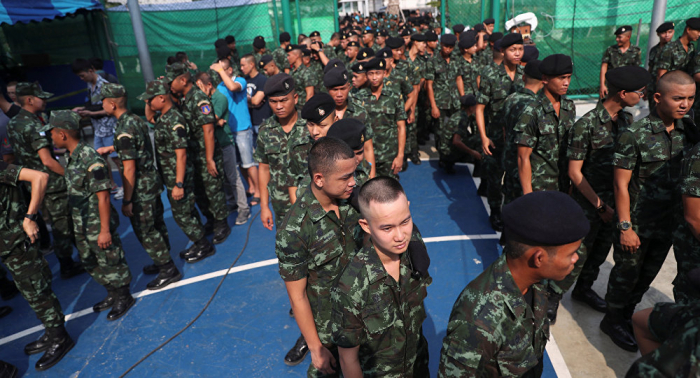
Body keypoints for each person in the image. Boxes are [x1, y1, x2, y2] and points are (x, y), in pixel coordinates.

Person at [438, 191, 589, 377]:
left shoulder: (536, 286)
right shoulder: (478, 322)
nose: (576, 258)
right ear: (539, 258)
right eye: (570, 254)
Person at [602, 70, 696, 352]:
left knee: (646, 276)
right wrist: (625, 228)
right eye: (678, 98)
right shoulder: (635, 135)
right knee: (625, 275)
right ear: (657, 97)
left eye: (691, 98)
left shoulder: (687, 131)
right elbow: (620, 185)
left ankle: (627, 316)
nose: (685, 104)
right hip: (638, 223)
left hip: (668, 225)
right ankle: (612, 320)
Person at [550, 66, 650, 320]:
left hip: (614, 202)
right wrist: (599, 206)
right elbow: (574, 173)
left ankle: (583, 290)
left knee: (599, 251)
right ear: (623, 93)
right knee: (576, 254)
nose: (643, 96)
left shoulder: (626, 121)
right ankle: (550, 299)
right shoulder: (587, 125)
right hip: (589, 204)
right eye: (640, 92)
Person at [276, 137, 359, 377]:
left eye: (353, 174)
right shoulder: (294, 230)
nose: (353, 183)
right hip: (328, 328)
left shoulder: (351, 200)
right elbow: (297, 296)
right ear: (319, 179)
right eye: (345, 178)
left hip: (364, 315)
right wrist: (316, 348)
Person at [333, 177, 432, 378]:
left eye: (405, 221)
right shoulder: (351, 288)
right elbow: (348, 359)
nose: (400, 236)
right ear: (366, 226)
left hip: (418, 366)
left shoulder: (413, 252)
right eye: (387, 228)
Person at [48, 110, 135, 321]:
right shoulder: (70, 156)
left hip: (97, 221)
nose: (50, 137)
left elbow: (103, 198)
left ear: (62, 134)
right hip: (81, 221)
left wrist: (105, 230)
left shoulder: (90, 158)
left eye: (51, 133)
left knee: (110, 259)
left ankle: (123, 295)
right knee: (88, 260)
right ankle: (112, 292)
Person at [97, 83, 181, 290]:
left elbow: (129, 169)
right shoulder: (135, 120)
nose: (102, 105)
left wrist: (127, 200)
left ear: (112, 104)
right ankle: (163, 258)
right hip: (151, 182)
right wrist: (112, 147)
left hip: (140, 190)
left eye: (103, 102)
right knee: (157, 224)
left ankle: (167, 269)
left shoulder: (124, 128)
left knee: (146, 231)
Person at [0, 161, 74, 371]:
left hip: (17, 243)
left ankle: (60, 338)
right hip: (7, 246)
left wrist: (30, 218)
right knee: (30, 292)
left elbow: (40, 177)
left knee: (37, 291)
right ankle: (52, 332)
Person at [7, 82, 84, 279]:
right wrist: (71, 176)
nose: (45, 100)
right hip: (52, 184)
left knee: (58, 222)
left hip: (34, 182)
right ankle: (67, 263)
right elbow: (47, 161)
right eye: (41, 97)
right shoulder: (33, 125)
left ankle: (70, 260)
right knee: (62, 224)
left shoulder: (15, 122)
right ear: (30, 100)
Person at [141, 79, 216, 263]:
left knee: (182, 214)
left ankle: (203, 245)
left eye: (151, 100)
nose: (149, 104)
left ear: (162, 98)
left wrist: (179, 184)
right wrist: (148, 100)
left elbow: (181, 155)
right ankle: (199, 243)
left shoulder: (174, 120)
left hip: (178, 176)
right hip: (170, 174)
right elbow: (149, 117)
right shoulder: (163, 117)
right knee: (186, 211)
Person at [166, 62, 231, 244]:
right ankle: (211, 220)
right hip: (194, 156)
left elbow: (208, 130)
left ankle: (221, 224)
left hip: (206, 154)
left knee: (213, 190)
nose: (170, 85)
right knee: (201, 191)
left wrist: (210, 159)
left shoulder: (199, 99)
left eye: (172, 81)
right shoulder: (184, 99)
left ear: (183, 79)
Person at [475, 33, 524, 231]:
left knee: (513, 179)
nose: (517, 53)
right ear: (502, 51)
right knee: (495, 178)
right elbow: (480, 108)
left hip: (517, 138)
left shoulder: (524, 75)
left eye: (520, 49)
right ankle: (495, 211)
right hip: (495, 137)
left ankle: (510, 212)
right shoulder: (490, 74)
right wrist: (484, 137)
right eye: (513, 50)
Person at [207, 61, 253, 225]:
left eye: (223, 70)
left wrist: (220, 70)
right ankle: (237, 199)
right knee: (235, 169)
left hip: (241, 128)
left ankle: (257, 192)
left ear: (229, 69)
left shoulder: (239, 80)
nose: (220, 74)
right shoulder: (219, 87)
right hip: (228, 133)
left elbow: (233, 87)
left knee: (248, 164)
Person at [71, 58, 123, 199]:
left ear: (91, 70)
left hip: (109, 128)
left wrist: (91, 113)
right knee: (101, 158)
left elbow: (111, 109)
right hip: (98, 128)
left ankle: (125, 186)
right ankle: (112, 184)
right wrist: (83, 109)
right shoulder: (90, 85)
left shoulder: (105, 85)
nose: (82, 79)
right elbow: (93, 104)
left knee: (117, 159)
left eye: (83, 75)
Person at [355, 58, 407, 179]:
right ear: (366, 75)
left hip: (389, 154)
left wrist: (400, 155)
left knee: (389, 190)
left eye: (378, 73)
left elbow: (401, 127)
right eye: (371, 74)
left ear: (384, 73)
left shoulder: (394, 96)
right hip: (365, 154)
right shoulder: (358, 97)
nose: (374, 78)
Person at [501, 60, 544, 206]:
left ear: (524, 77)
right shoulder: (535, 106)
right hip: (526, 170)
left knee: (509, 207)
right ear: (544, 81)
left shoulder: (510, 99)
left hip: (509, 162)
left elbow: (504, 130)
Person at [323, 67, 375, 178]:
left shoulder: (360, 112)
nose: (339, 94)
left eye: (343, 89)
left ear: (349, 87)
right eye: (335, 90)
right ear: (327, 89)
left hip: (357, 173)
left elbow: (368, 148)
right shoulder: (322, 115)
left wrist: (371, 178)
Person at [426, 34, 464, 173]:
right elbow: (429, 85)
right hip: (440, 102)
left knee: (455, 129)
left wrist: (463, 97)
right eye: (446, 46)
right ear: (441, 44)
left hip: (455, 101)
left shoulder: (456, 59)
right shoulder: (433, 61)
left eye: (451, 47)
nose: (448, 49)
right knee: (440, 131)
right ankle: (443, 157)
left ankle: (450, 155)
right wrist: (433, 106)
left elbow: (459, 79)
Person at [288, 93, 335, 203]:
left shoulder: (347, 146)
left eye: (322, 126)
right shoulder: (299, 148)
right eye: (310, 125)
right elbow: (292, 183)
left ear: (335, 120)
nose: (315, 132)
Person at [240, 54, 268, 203]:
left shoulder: (262, 80)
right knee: (255, 160)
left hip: (261, 122)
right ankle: (258, 187)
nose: (241, 68)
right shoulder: (244, 81)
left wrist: (248, 100)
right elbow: (254, 101)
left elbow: (257, 101)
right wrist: (252, 101)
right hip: (250, 124)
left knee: (266, 158)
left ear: (251, 65)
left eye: (243, 65)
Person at [599, 25, 642, 98]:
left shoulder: (635, 51)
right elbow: (604, 67)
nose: (617, 39)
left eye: (619, 37)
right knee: (604, 107)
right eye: (616, 37)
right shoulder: (610, 50)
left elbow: (636, 71)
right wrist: (602, 85)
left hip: (627, 88)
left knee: (628, 109)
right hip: (611, 87)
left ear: (628, 37)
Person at [326, 118, 371, 187]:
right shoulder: (326, 179)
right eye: (351, 155)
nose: (356, 159)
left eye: (359, 153)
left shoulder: (363, 165)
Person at [647, 21, 675, 101]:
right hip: (653, 87)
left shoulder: (675, 49)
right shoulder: (654, 50)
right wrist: (646, 87)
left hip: (669, 87)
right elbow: (650, 68)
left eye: (670, 32)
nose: (667, 35)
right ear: (658, 34)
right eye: (663, 33)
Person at [287, 44, 318, 110]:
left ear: (296, 56)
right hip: (295, 108)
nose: (287, 58)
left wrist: (306, 110)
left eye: (289, 55)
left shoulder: (306, 72)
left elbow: (310, 94)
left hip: (303, 108)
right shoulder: (292, 71)